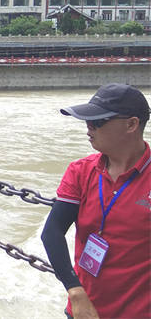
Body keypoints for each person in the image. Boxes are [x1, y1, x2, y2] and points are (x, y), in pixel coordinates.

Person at [41, 83, 150, 319]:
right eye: (87, 121)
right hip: (84, 311)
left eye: (98, 121)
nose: (88, 128)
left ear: (131, 124)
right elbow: (52, 232)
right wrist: (75, 291)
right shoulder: (80, 171)